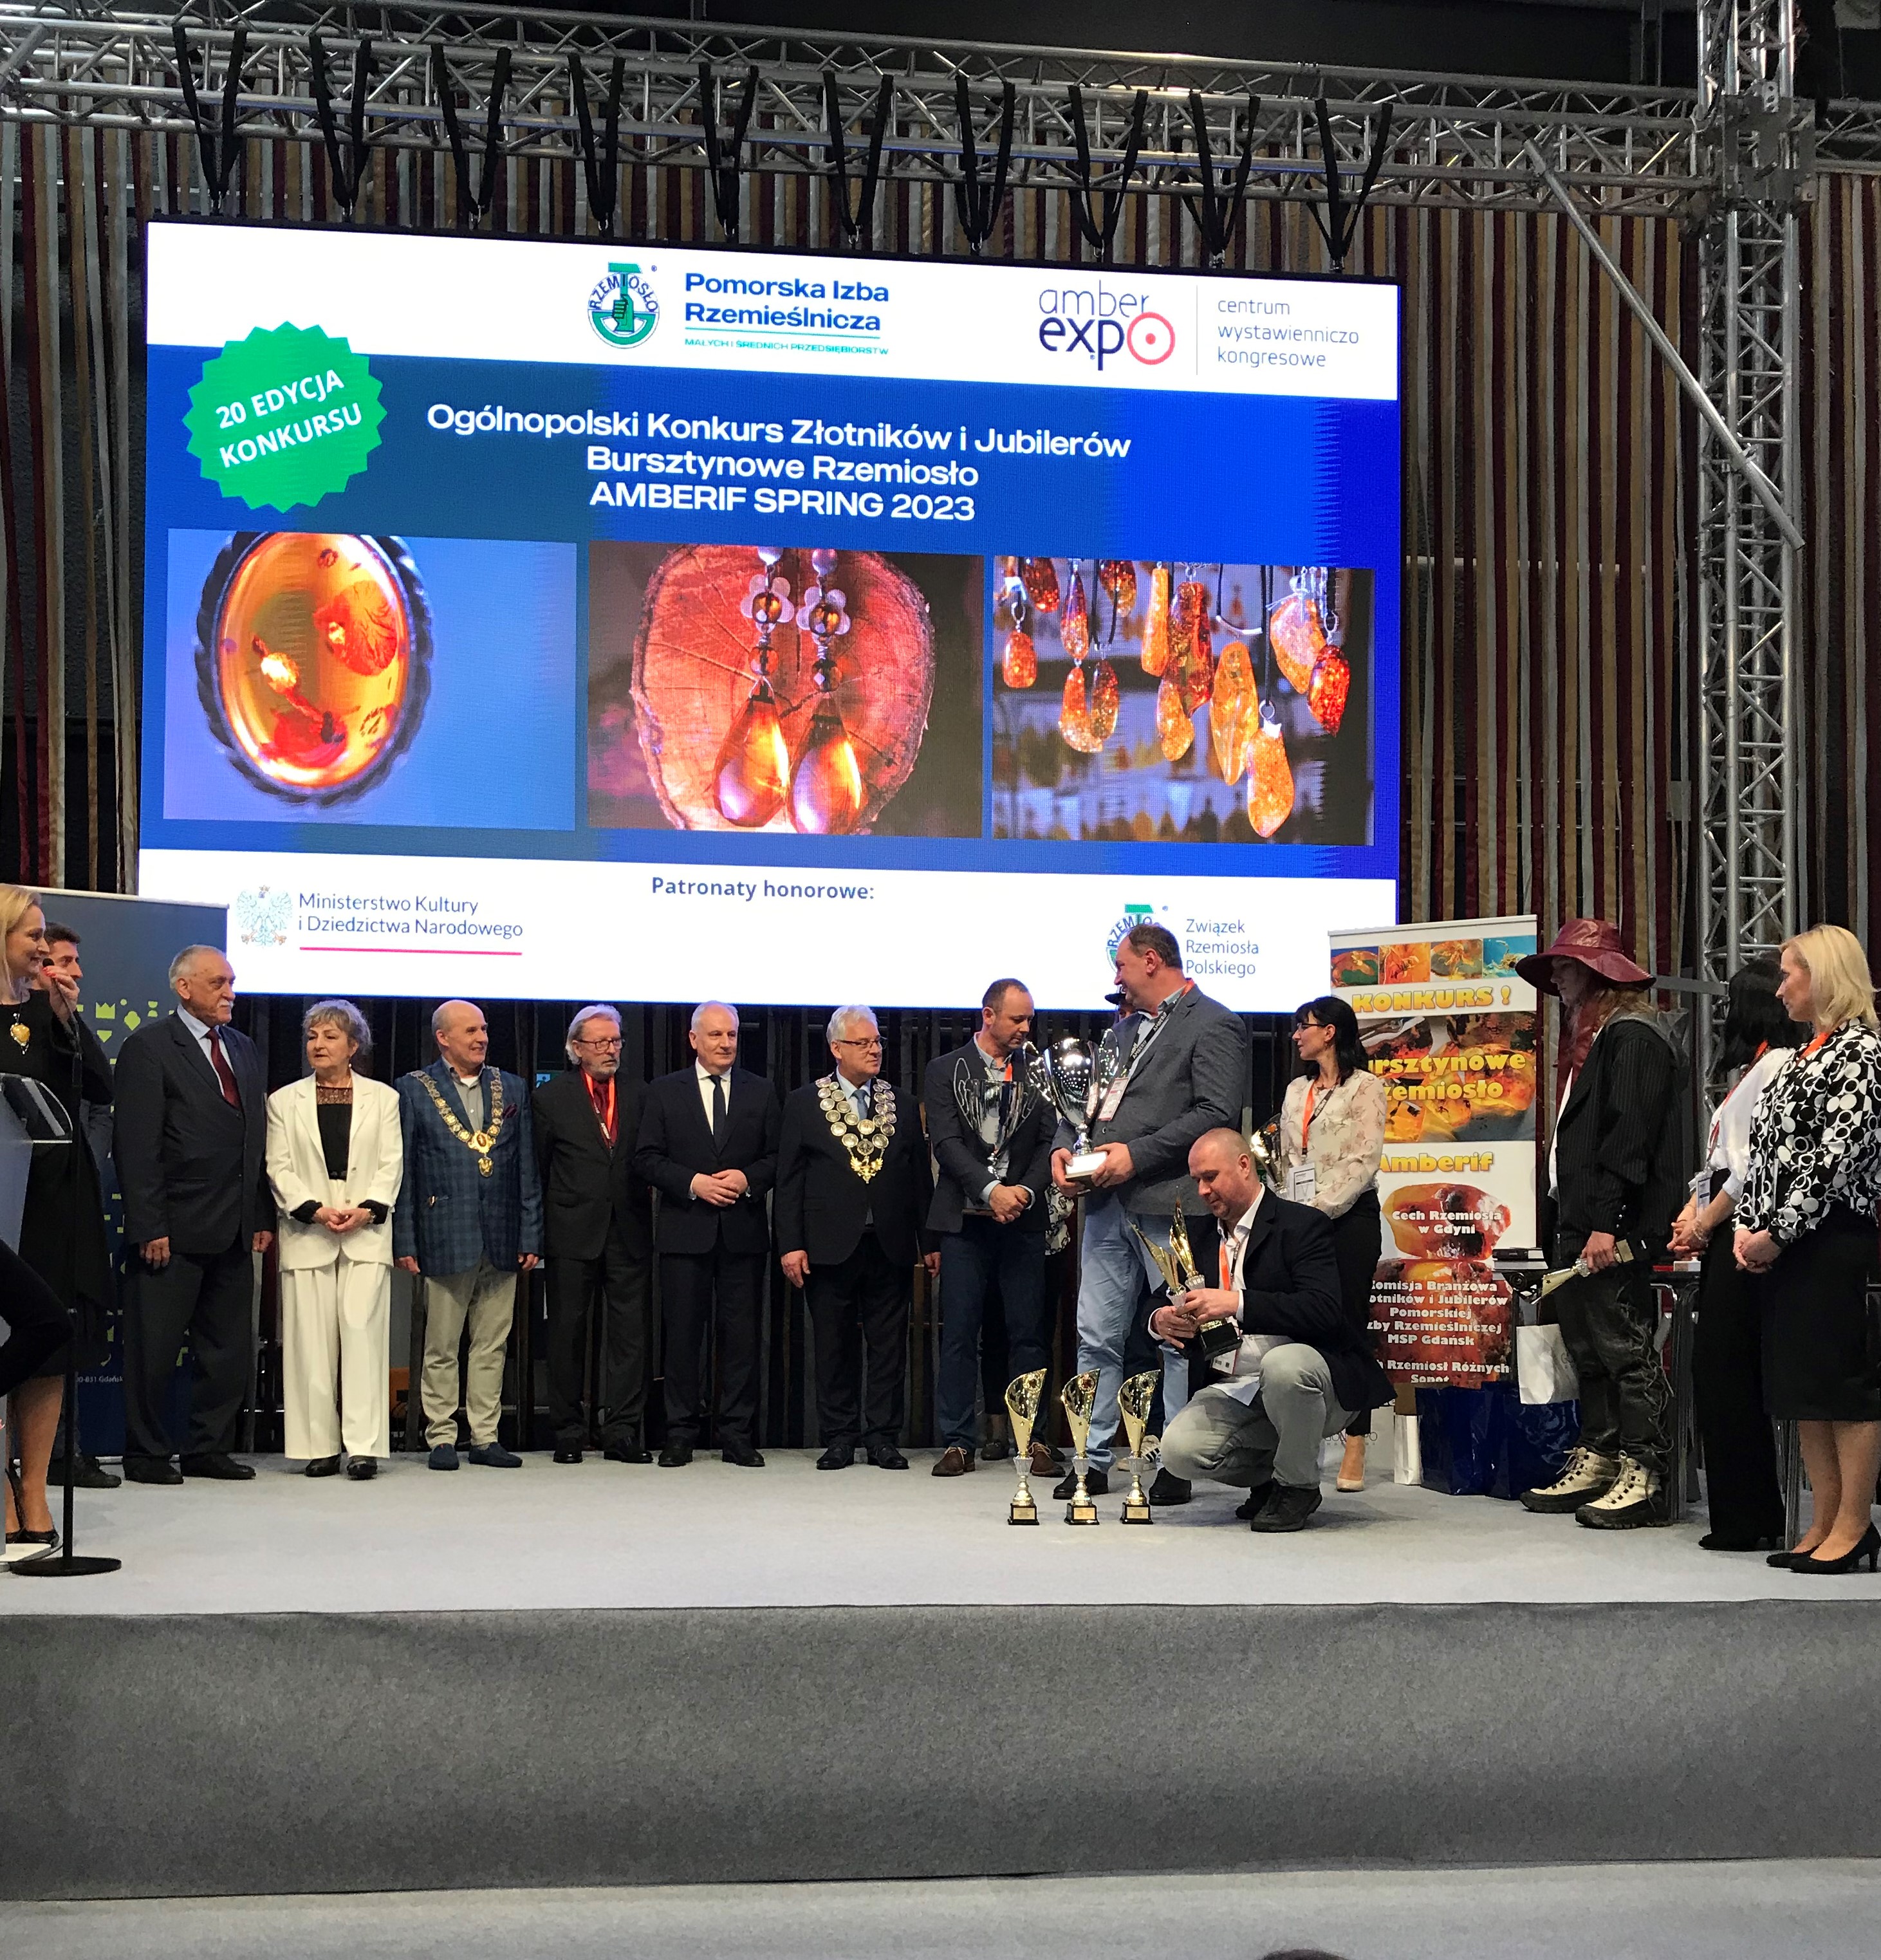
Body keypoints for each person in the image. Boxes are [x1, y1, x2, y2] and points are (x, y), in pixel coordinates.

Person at [1050, 922, 1247, 1505]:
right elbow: (1084, 1107)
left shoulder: (1215, 1023)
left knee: (1177, 1335)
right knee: (1095, 1335)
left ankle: (1176, 1462)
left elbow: (1215, 1112)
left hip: (1172, 1203)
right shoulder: (1120, 1033)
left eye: (1121, 966)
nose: (1116, 977)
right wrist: (1064, 1148)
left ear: (1153, 961)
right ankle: (1090, 1459)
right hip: (1105, 1203)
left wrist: (1135, 1156)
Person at [1515, 919, 1683, 1529]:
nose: (1556, 978)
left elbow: (1628, 1138)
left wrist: (1607, 1223)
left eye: (1565, 967)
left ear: (1594, 974)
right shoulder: (1598, 1039)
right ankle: (1602, 1456)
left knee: (1624, 1350)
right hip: (1582, 1220)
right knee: (1588, 1350)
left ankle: (1644, 1471)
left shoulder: (1632, 1038)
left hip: (1610, 1227)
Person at [1735, 925, 1881, 1575]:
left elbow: (1837, 1158)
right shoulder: (1800, 1055)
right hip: (1787, 1241)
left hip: (1831, 1237)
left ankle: (1854, 1524)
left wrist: (1778, 1231)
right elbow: (1763, 1156)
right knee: (1802, 1390)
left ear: (1824, 975)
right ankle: (1822, 1519)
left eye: (1789, 972)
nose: (1780, 987)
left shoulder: (1860, 1053)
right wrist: (1747, 1226)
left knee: (1838, 1386)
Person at [1156, 1129, 1391, 1531]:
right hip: (1237, 1387)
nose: (1203, 1190)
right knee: (1179, 1453)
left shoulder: (1303, 1225)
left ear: (1244, 1165)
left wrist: (1237, 1303)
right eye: (1197, 1180)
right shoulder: (1196, 1236)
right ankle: (1274, 1477)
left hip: (1315, 1382)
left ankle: (1297, 1487)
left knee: (1283, 1366)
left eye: (1211, 1177)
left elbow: (1324, 1310)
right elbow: (1156, 1298)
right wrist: (1160, 1319)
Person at [113, 943, 273, 1486]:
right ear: (183, 988)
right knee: (154, 1350)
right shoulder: (149, 1047)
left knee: (226, 1350)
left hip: (233, 1227)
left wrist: (259, 1214)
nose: (230, 994)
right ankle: (146, 1453)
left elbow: (254, 1141)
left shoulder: (243, 1048)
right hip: (173, 1230)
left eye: (231, 983)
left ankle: (209, 1448)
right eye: (217, 983)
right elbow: (136, 1146)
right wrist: (149, 1225)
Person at [1667, 959, 1804, 1549]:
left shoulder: (1775, 1066)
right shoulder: (1756, 1069)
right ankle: (1745, 1512)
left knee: (1727, 1373)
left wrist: (1703, 1223)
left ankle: (1748, 1516)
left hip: (1741, 1230)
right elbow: (1720, 1164)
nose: (1723, 1015)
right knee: (1722, 1372)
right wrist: (1690, 1211)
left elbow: (1747, 1169)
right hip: (1726, 1224)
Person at [0, 888, 113, 1553]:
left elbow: (99, 1087)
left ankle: (35, 1488)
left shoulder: (49, 1013)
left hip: (51, 1198)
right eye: (32, 935)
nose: (45, 949)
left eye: (45, 936)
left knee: (46, 1347)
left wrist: (71, 1023)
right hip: (1, 1198)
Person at [777, 1006, 938, 1470]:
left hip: (890, 1242)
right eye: (862, 1043)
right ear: (836, 1048)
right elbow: (788, 1181)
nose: (874, 1050)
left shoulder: (902, 1103)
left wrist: (930, 1241)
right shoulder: (804, 1103)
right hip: (827, 1245)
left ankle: (883, 1437)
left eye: (877, 1042)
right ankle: (839, 1437)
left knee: (889, 1347)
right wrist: (790, 1243)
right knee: (833, 1346)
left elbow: (919, 1180)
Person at [394, 1001, 541, 1472]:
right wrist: (405, 1240)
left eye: (483, 1029)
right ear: (443, 1038)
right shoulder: (413, 1089)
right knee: (441, 1345)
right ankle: (441, 1436)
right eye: (470, 1031)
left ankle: (485, 1436)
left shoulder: (511, 1086)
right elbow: (406, 1172)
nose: (481, 1038)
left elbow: (526, 1167)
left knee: (492, 1344)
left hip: (502, 1233)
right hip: (443, 1232)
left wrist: (531, 1233)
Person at [634, 1001, 781, 1466]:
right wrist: (693, 1183)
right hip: (685, 1231)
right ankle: (680, 1433)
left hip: (743, 1233)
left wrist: (748, 1179)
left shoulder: (761, 1091)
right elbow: (646, 1158)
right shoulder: (664, 1091)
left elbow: (778, 1156)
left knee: (742, 1340)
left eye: (732, 1034)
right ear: (694, 1039)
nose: (725, 1043)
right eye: (715, 1035)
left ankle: (736, 1434)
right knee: (682, 1338)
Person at [266, 1000, 403, 1481]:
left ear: (353, 1046)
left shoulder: (384, 1099)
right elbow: (278, 1166)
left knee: (363, 1336)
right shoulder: (283, 1101)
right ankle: (318, 1446)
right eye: (312, 1037)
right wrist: (314, 1209)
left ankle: (363, 1448)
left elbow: (391, 1162)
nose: (318, 1045)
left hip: (367, 1229)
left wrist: (368, 1208)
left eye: (329, 1037)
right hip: (308, 1229)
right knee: (310, 1343)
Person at [925, 979, 1055, 1479]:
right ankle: (958, 1441)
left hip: (1022, 1218)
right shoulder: (945, 1069)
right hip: (964, 1223)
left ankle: (1033, 1438)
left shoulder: (1038, 1072)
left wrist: (1021, 1192)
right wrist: (989, 1190)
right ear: (988, 1015)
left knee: (1028, 1335)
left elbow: (1050, 1142)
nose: (1025, 1029)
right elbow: (946, 1143)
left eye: (1029, 1020)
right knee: (959, 1333)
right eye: (1017, 1019)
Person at [1275, 995, 1388, 1494]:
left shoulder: (1367, 1087)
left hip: (1347, 1219)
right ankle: (1303, 1435)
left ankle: (1356, 1438)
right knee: (1302, 1323)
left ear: (1330, 1032)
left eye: (1305, 1026)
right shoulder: (1295, 1090)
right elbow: (1286, 1158)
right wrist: (1287, 1213)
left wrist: (1319, 1209)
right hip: (1300, 1219)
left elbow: (1364, 1160)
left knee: (1348, 1323)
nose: (1296, 1035)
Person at [533, 1004, 654, 1465]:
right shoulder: (551, 1097)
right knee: (567, 1334)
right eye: (600, 1042)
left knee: (630, 1337)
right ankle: (568, 1431)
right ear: (576, 1048)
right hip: (571, 1231)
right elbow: (539, 1169)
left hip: (629, 1229)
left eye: (615, 1041)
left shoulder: (641, 1093)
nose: (610, 1050)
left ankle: (622, 1431)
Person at [35, 920, 120, 1492]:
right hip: (21, 1194)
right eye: (63, 962)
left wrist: (68, 1019)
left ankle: (66, 1451)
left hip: (67, 1197)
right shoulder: (16, 1023)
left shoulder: (65, 1027)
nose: (77, 973)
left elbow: (100, 1088)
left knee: (66, 1325)